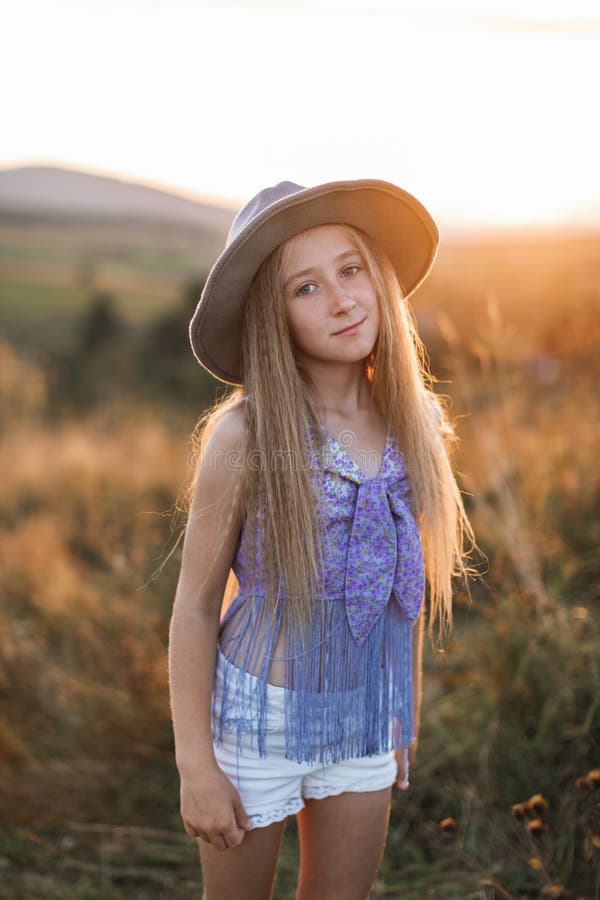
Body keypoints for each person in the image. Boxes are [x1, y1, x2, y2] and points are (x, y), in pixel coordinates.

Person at [168, 179, 476, 900]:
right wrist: (196, 766)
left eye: (350, 269)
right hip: (256, 726)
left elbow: (406, 594)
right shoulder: (245, 438)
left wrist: (403, 714)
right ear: (272, 317)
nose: (341, 299)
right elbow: (192, 608)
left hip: (367, 720)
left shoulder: (415, 423)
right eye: (305, 288)